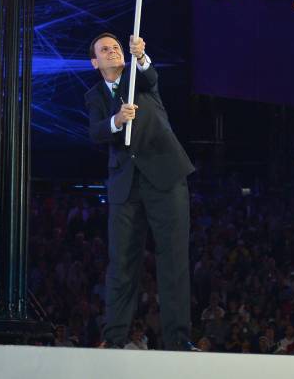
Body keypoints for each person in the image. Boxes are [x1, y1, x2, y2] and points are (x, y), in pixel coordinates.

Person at [86, 32, 195, 350]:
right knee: (121, 263)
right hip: (125, 185)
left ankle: (179, 340)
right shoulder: (94, 96)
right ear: (95, 62)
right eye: (105, 50)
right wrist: (117, 120)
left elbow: (151, 74)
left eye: (116, 47)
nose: (112, 51)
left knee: (173, 259)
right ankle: (114, 339)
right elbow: (95, 131)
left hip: (165, 175)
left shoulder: (139, 78)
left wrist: (142, 55)